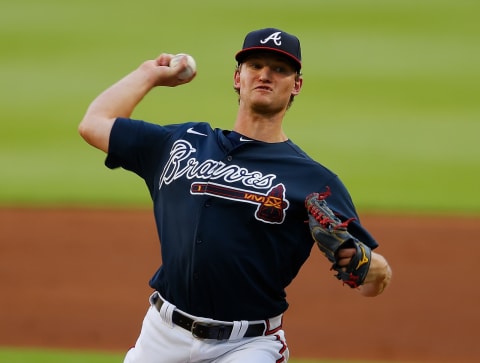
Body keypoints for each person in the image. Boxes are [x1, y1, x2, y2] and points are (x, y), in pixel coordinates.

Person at [79, 27, 392, 363]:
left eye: (280, 69)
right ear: (237, 77)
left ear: (296, 85)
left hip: (246, 346)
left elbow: (372, 281)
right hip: (161, 336)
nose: (265, 75)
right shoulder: (182, 143)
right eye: (255, 65)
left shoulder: (315, 181)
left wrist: (364, 263)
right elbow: (94, 123)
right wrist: (148, 75)